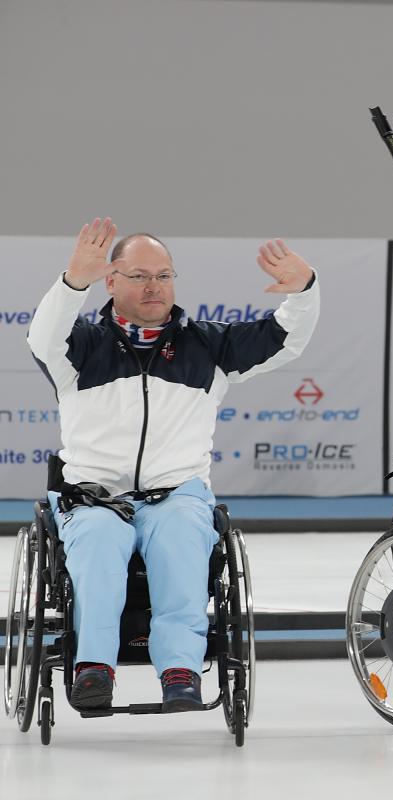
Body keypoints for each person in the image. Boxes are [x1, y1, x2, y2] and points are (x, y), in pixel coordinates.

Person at [27, 219, 319, 711]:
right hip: (96, 496)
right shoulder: (78, 346)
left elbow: (284, 339)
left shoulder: (206, 345)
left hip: (175, 493)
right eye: (140, 275)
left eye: (164, 275)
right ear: (111, 281)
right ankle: (94, 666)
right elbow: (41, 337)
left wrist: (306, 291)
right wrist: (71, 281)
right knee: (98, 541)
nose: (154, 286)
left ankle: (180, 668)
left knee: (185, 536)